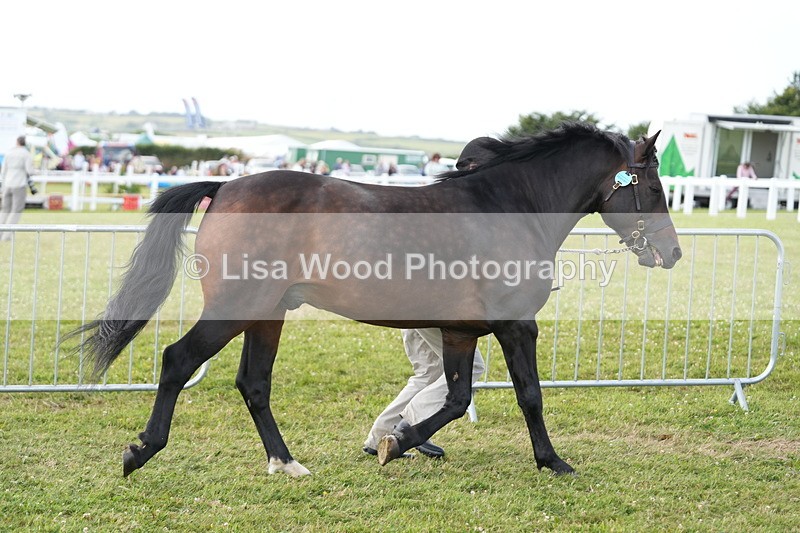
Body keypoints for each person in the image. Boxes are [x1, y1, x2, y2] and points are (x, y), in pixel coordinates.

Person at [363, 137, 502, 458]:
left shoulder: (439, 197)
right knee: (474, 368)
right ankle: (410, 428)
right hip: (429, 303)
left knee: (428, 373)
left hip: (405, 297)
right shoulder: (468, 206)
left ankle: (378, 437)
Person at [0, 136, 35, 241]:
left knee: (5, 210)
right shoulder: (26, 154)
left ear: (17, 142)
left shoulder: (9, 153)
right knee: (16, 210)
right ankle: (7, 236)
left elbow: (3, 170)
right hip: (19, 184)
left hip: (7, 184)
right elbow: (30, 171)